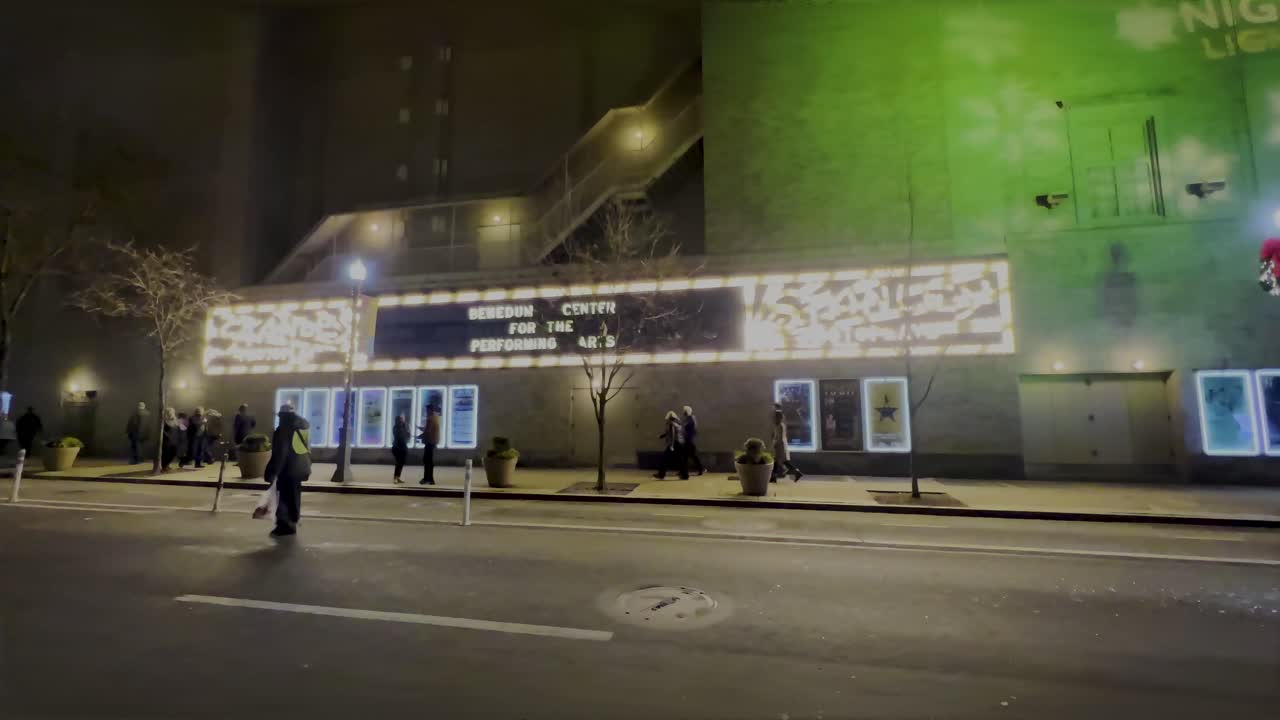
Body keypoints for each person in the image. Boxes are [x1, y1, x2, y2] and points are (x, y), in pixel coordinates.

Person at [263, 403, 312, 538]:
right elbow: (307, 448)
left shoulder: (283, 430)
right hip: (300, 467)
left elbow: (281, 453)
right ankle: (293, 521)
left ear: (282, 416)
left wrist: (273, 471)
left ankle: (285, 525)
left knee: (283, 497)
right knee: (294, 496)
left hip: (287, 468)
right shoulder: (303, 428)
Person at [770, 409, 803, 482]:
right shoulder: (780, 425)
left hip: (780, 446)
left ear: (778, 417)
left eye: (775, 417)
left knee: (778, 461)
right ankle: (796, 473)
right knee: (782, 462)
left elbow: (779, 437)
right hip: (781, 446)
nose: (774, 418)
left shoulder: (780, 425)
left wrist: (775, 443)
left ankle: (773, 477)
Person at [653, 410, 688, 480]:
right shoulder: (677, 424)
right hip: (680, 443)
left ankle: (661, 474)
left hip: (674, 444)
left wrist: (671, 445)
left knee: (665, 459)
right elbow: (673, 433)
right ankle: (685, 475)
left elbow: (672, 434)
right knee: (680, 460)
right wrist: (662, 436)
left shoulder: (671, 424)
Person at [417, 404, 441, 485]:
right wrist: (421, 428)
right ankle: (430, 479)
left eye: (427, 410)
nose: (426, 411)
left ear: (430, 410)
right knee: (429, 461)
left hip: (429, 442)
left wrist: (419, 436)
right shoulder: (436, 417)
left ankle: (427, 478)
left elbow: (428, 431)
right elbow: (428, 429)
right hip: (433, 442)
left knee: (427, 461)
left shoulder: (430, 418)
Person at [681, 405, 704, 476]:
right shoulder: (689, 419)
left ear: (686, 411)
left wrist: (687, 436)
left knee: (685, 457)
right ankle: (700, 469)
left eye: (684, 411)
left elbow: (692, 430)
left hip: (688, 440)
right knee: (693, 456)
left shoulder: (690, 419)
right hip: (689, 440)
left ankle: (684, 472)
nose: (683, 412)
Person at [391, 415, 410, 484]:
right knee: (398, 463)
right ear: (397, 421)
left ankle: (398, 477)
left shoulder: (404, 427)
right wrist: (404, 429)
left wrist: (406, 429)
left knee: (401, 463)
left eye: (402, 420)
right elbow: (399, 436)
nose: (401, 421)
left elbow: (408, 436)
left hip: (403, 447)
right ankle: (395, 478)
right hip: (397, 447)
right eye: (400, 420)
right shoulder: (396, 428)